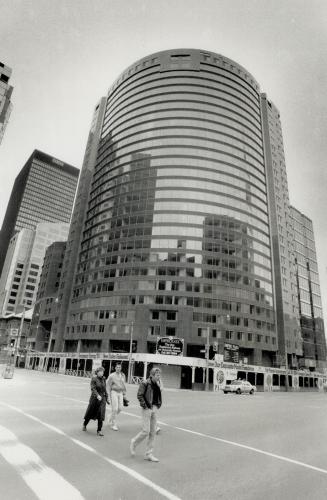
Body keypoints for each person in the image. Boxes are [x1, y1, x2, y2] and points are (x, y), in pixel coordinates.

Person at [130, 367, 162, 462]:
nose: (159, 376)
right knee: (145, 431)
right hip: (147, 408)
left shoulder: (157, 383)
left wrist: (157, 406)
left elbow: (158, 395)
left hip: (154, 408)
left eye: (159, 375)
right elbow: (140, 395)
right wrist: (145, 406)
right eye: (157, 375)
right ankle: (134, 442)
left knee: (153, 432)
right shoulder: (145, 383)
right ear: (151, 375)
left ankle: (149, 454)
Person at [83, 366, 109, 436]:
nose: (102, 373)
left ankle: (99, 430)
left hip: (102, 399)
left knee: (101, 414)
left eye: (103, 371)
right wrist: (97, 395)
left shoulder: (104, 379)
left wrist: (107, 397)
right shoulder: (94, 379)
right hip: (94, 398)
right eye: (100, 371)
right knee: (90, 412)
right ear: (97, 372)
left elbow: (104, 389)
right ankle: (85, 424)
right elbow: (93, 388)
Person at [107, 362, 127, 431]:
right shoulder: (111, 376)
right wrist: (108, 395)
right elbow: (108, 385)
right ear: (115, 368)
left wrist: (124, 394)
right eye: (117, 367)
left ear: (121, 368)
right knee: (115, 409)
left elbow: (124, 385)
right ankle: (113, 424)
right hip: (114, 392)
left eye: (119, 367)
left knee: (120, 408)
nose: (118, 368)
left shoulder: (123, 375)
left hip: (120, 393)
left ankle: (110, 417)